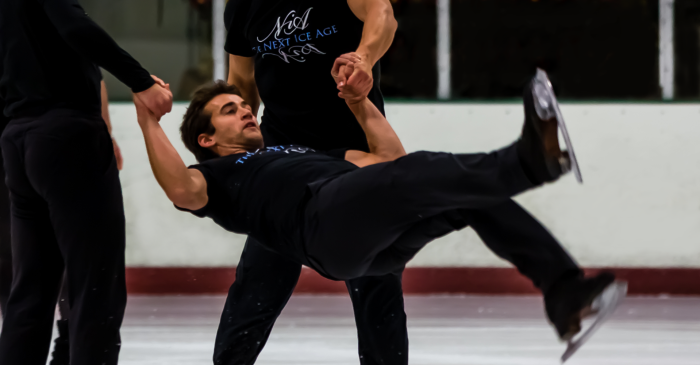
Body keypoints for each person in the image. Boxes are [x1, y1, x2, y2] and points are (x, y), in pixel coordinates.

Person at [134, 65, 620, 360]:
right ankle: (531, 161)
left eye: (244, 104)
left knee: (467, 197)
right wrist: (146, 117)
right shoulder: (217, 178)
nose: (245, 110)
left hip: (366, 242)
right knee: (427, 170)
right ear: (207, 139)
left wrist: (361, 103)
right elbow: (179, 188)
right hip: (320, 225)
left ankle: (564, 292)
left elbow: (391, 162)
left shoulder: (300, 151)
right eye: (228, 110)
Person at [222, 0, 409, 363]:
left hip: (354, 154)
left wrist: (363, 58)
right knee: (259, 279)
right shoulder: (243, 4)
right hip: (284, 161)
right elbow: (242, 80)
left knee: (375, 280)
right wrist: (233, 148)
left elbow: (381, 13)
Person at [0, 0, 173, 364]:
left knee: (30, 288)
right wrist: (141, 81)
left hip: (18, 139)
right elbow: (76, 28)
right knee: (97, 284)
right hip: (65, 134)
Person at [0, 79, 122, 365]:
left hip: (35, 127)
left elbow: (91, 72)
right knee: (28, 254)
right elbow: (92, 70)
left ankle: (57, 341)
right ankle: (57, 342)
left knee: (37, 253)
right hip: (42, 127)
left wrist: (105, 132)